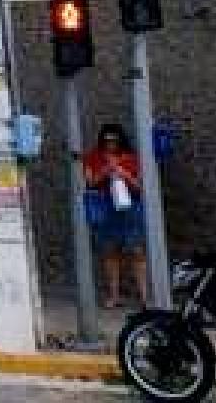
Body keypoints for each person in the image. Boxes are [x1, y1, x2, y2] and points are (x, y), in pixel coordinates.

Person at [83, 123, 147, 309]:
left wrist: (123, 173)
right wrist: (105, 171)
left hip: (130, 207)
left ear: (121, 140)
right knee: (110, 251)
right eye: (106, 140)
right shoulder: (93, 157)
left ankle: (144, 296)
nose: (110, 144)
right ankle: (114, 296)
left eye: (114, 140)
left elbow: (141, 186)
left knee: (137, 250)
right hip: (105, 206)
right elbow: (90, 182)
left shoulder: (132, 158)